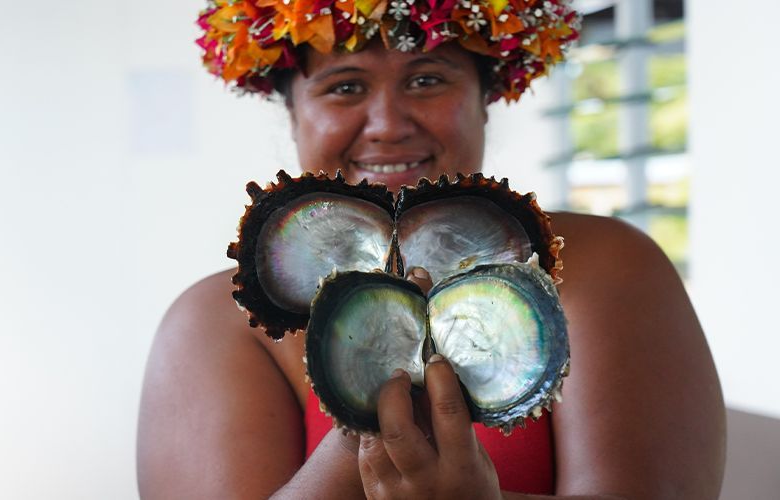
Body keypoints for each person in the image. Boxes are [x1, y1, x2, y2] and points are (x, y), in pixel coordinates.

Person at [137, 1, 725, 498]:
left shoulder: (606, 266)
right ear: (292, 113)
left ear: (485, 98)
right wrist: (365, 429)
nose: (388, 124)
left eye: (427, 80)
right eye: (345, 87)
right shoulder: (214, 320)